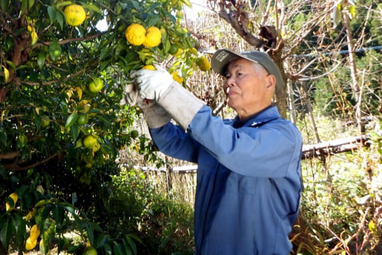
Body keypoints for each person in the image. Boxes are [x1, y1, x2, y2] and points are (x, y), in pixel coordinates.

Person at [127, 49, 303, 255]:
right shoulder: (224, 132)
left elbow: (234, 149)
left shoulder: (284, 136)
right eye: (228, 76)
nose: (229, 82)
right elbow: (173, 142)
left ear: (269, 82)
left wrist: (169, 91)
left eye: (239, 74)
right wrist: (151, 107)